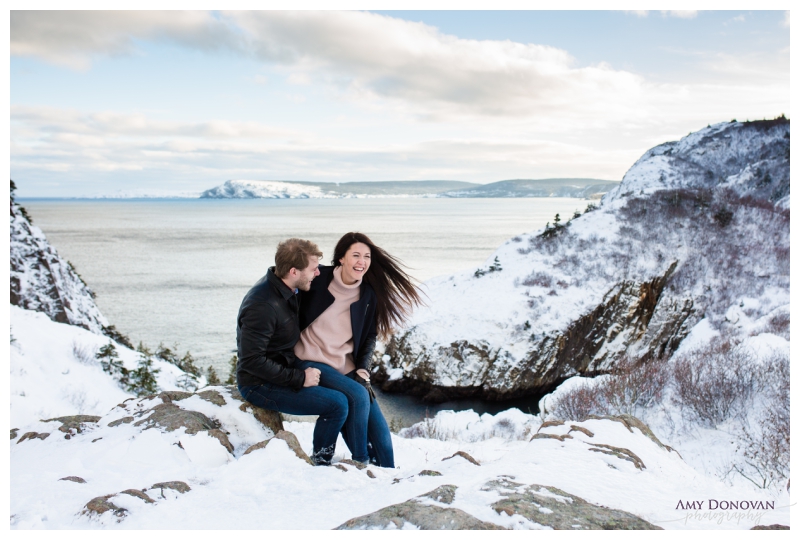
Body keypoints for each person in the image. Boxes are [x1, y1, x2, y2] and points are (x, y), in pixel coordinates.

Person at [294, 232, 424, 467]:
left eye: (366, 256)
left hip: (345, 368)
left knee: (383, 441)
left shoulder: (368, 295)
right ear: (341, 258)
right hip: (310, 361)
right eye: (355, 255)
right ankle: (360, 464)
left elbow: (369, 335)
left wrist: (363, 368)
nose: (361, 261)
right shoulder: (317, 278)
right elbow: (284, 284)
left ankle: (386, 475)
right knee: (357, 395)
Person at [236, 238, 349, 466]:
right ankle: (320, 463)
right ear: (293, 271)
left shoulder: (288, 287)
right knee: (337, 404)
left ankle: (362, 457)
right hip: (259, 384)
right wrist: (299, 378)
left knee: (353, 392)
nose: (318, 273)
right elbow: (251, 361)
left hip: (285, 364)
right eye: (314, 269)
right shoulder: (263, 306)